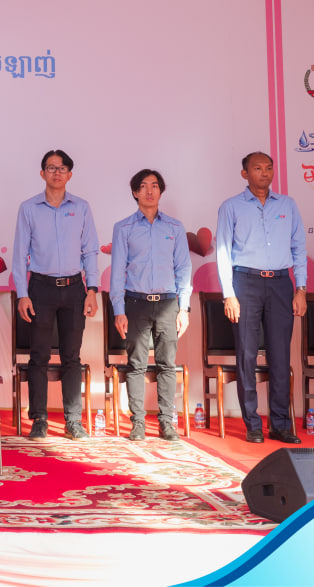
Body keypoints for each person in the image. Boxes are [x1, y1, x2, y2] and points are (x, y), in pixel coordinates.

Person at [215, 151, 307, 444]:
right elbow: (223, 252)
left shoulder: (288, 205)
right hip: (245, 282)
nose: (264, 173)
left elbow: (298, 248)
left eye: (268, 168)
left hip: (281, 284)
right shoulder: (231, 207)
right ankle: (253, 424)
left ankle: (280, 424)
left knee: (280, 356)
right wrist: (229, 294)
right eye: (257, 168)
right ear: (245, 173)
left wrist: (301, 289)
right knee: (247, 354)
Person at [11, 150, 100, 440]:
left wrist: (92, 290)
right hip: (41, 288)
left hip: (75, 289)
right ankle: (39, 419)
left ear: (69, 174)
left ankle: (73, 420)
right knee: (38, 356)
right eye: (51, 168)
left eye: (62, 168)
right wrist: (22, 294)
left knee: (71, 356)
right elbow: (19, 255)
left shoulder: (82, 207)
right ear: (42, 173)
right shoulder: (28, 208)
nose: (57, 172)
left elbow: (90, 251)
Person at [110, 169, 191, 442]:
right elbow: (117, 272)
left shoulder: (175, 228)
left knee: (167, 365)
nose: (149, 191)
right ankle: (138, 423)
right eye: (143, 186)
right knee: (136, 365)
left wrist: (184, 308)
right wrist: (119, 311)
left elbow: (183, 269)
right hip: (136, 303)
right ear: (135, 192)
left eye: (155, 186)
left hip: (168, 304)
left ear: (160, 191)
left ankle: (167, 422)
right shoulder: (123, 228)